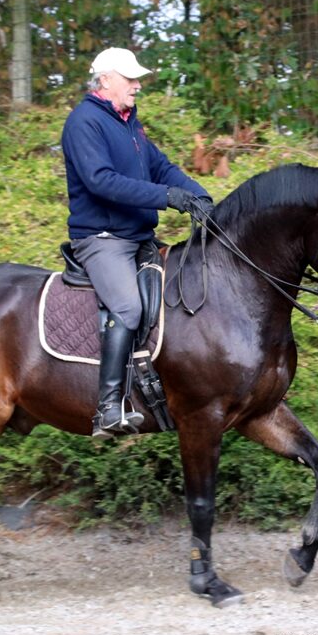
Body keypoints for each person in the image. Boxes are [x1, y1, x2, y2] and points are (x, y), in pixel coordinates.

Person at [62, 47, 212, 440]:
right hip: (103, 239)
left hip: (139, 236)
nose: (137, 85)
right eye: (130, 79)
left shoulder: (129, 122)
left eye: (137, 78)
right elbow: (101, 181)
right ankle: (108, 408)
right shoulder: (84, 123)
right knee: (128, 306)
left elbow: (161, 166)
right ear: (106, 80)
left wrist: (198, 196)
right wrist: (166, 197)